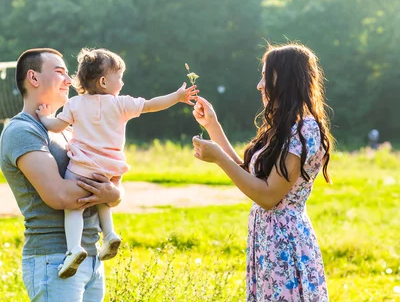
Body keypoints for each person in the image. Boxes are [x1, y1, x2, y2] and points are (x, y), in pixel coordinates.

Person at [36, 48, 197, 278]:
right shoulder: (121, 104)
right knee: (102, 194)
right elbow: (152, 104)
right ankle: (110, 234)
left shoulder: (75, 104)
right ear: (103, 81)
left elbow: (56, 127)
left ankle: (74, 249)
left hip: (82, 166)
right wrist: (177, 97)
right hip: (109, 168)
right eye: (119, 77)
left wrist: (43, 117)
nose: (121, 82)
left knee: (74, 206)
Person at [191, 43, 333, 301]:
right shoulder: (282, 128)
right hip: (268, 239)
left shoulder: (306, 130)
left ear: (286, 80)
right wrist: (212, 125)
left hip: (285, 243)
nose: (259, 84)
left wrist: (219, 158)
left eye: (266, 76)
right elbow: (253, 178)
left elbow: (268, 196)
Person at [0, 48, 123, 302]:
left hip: (90, 257)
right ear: (33, 78)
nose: (70, 80)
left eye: (68, 73)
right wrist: (107, 190)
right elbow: (60, 196)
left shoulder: (67, 131)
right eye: (59, 72)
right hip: (53, 260)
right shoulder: (22, 131)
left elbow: (109, 189)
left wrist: (114, 193)